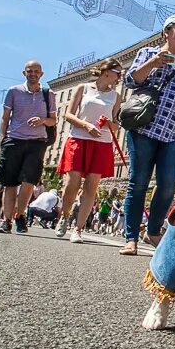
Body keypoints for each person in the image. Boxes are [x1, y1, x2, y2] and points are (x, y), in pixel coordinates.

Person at [121, 18, 175, 255]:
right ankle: (131, 237)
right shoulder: (148, 53)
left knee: (167, 186)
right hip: (145, 128)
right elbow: (130, 81)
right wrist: (154, 63)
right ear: (166, 33)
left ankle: (153, 230)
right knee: (139, 183)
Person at [55, 58, 122, 244]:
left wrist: (110, 124)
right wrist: (86, 125)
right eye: (118, 73)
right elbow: (68, 115)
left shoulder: (116, 96)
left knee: (91, 186)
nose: (119, 78)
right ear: (107, 71)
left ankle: (78, 229)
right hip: (78, 138)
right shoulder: (82, 88)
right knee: (72, 182)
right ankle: (64, 216)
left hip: (102, 142)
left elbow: (116, 123)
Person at [0, 61, 56, 235]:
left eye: (36, 71)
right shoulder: (14, 91)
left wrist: (42, 120)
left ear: (41, 74)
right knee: (10, 182)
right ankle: (6, 220)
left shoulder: (47, 94)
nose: (33, 74)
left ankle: (20, 215)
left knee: (29, 181)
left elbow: (53, 120)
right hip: (14, 139)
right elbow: (5, 117)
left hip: (37, 142)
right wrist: (3, 139)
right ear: (24, 73)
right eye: (30, 71)